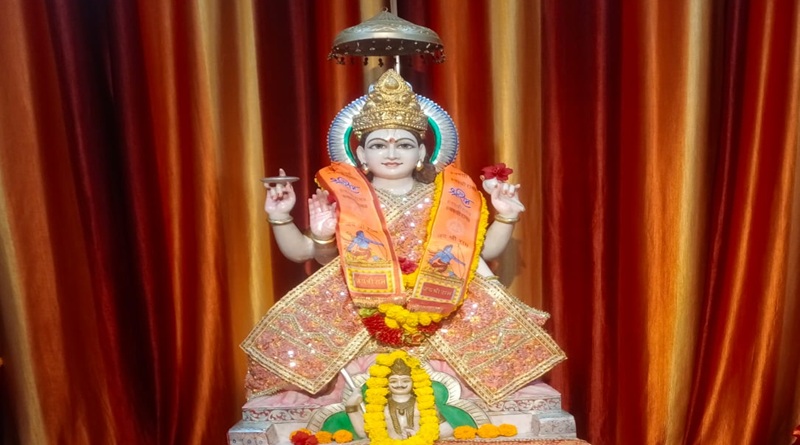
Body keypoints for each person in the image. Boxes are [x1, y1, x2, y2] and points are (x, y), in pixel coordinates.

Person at [241, 70, 564, 410]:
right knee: (297, 366)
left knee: (501, 364)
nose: (391, 153)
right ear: (361, 155)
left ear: (422, 152)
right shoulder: (346, 197)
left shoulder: (449, 198)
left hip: (440, 296)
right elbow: (304, 253)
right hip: (359, 299)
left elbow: (481, 254)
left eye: (404, 145)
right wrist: (285, 218)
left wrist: (505, 215)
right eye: (378, 145)